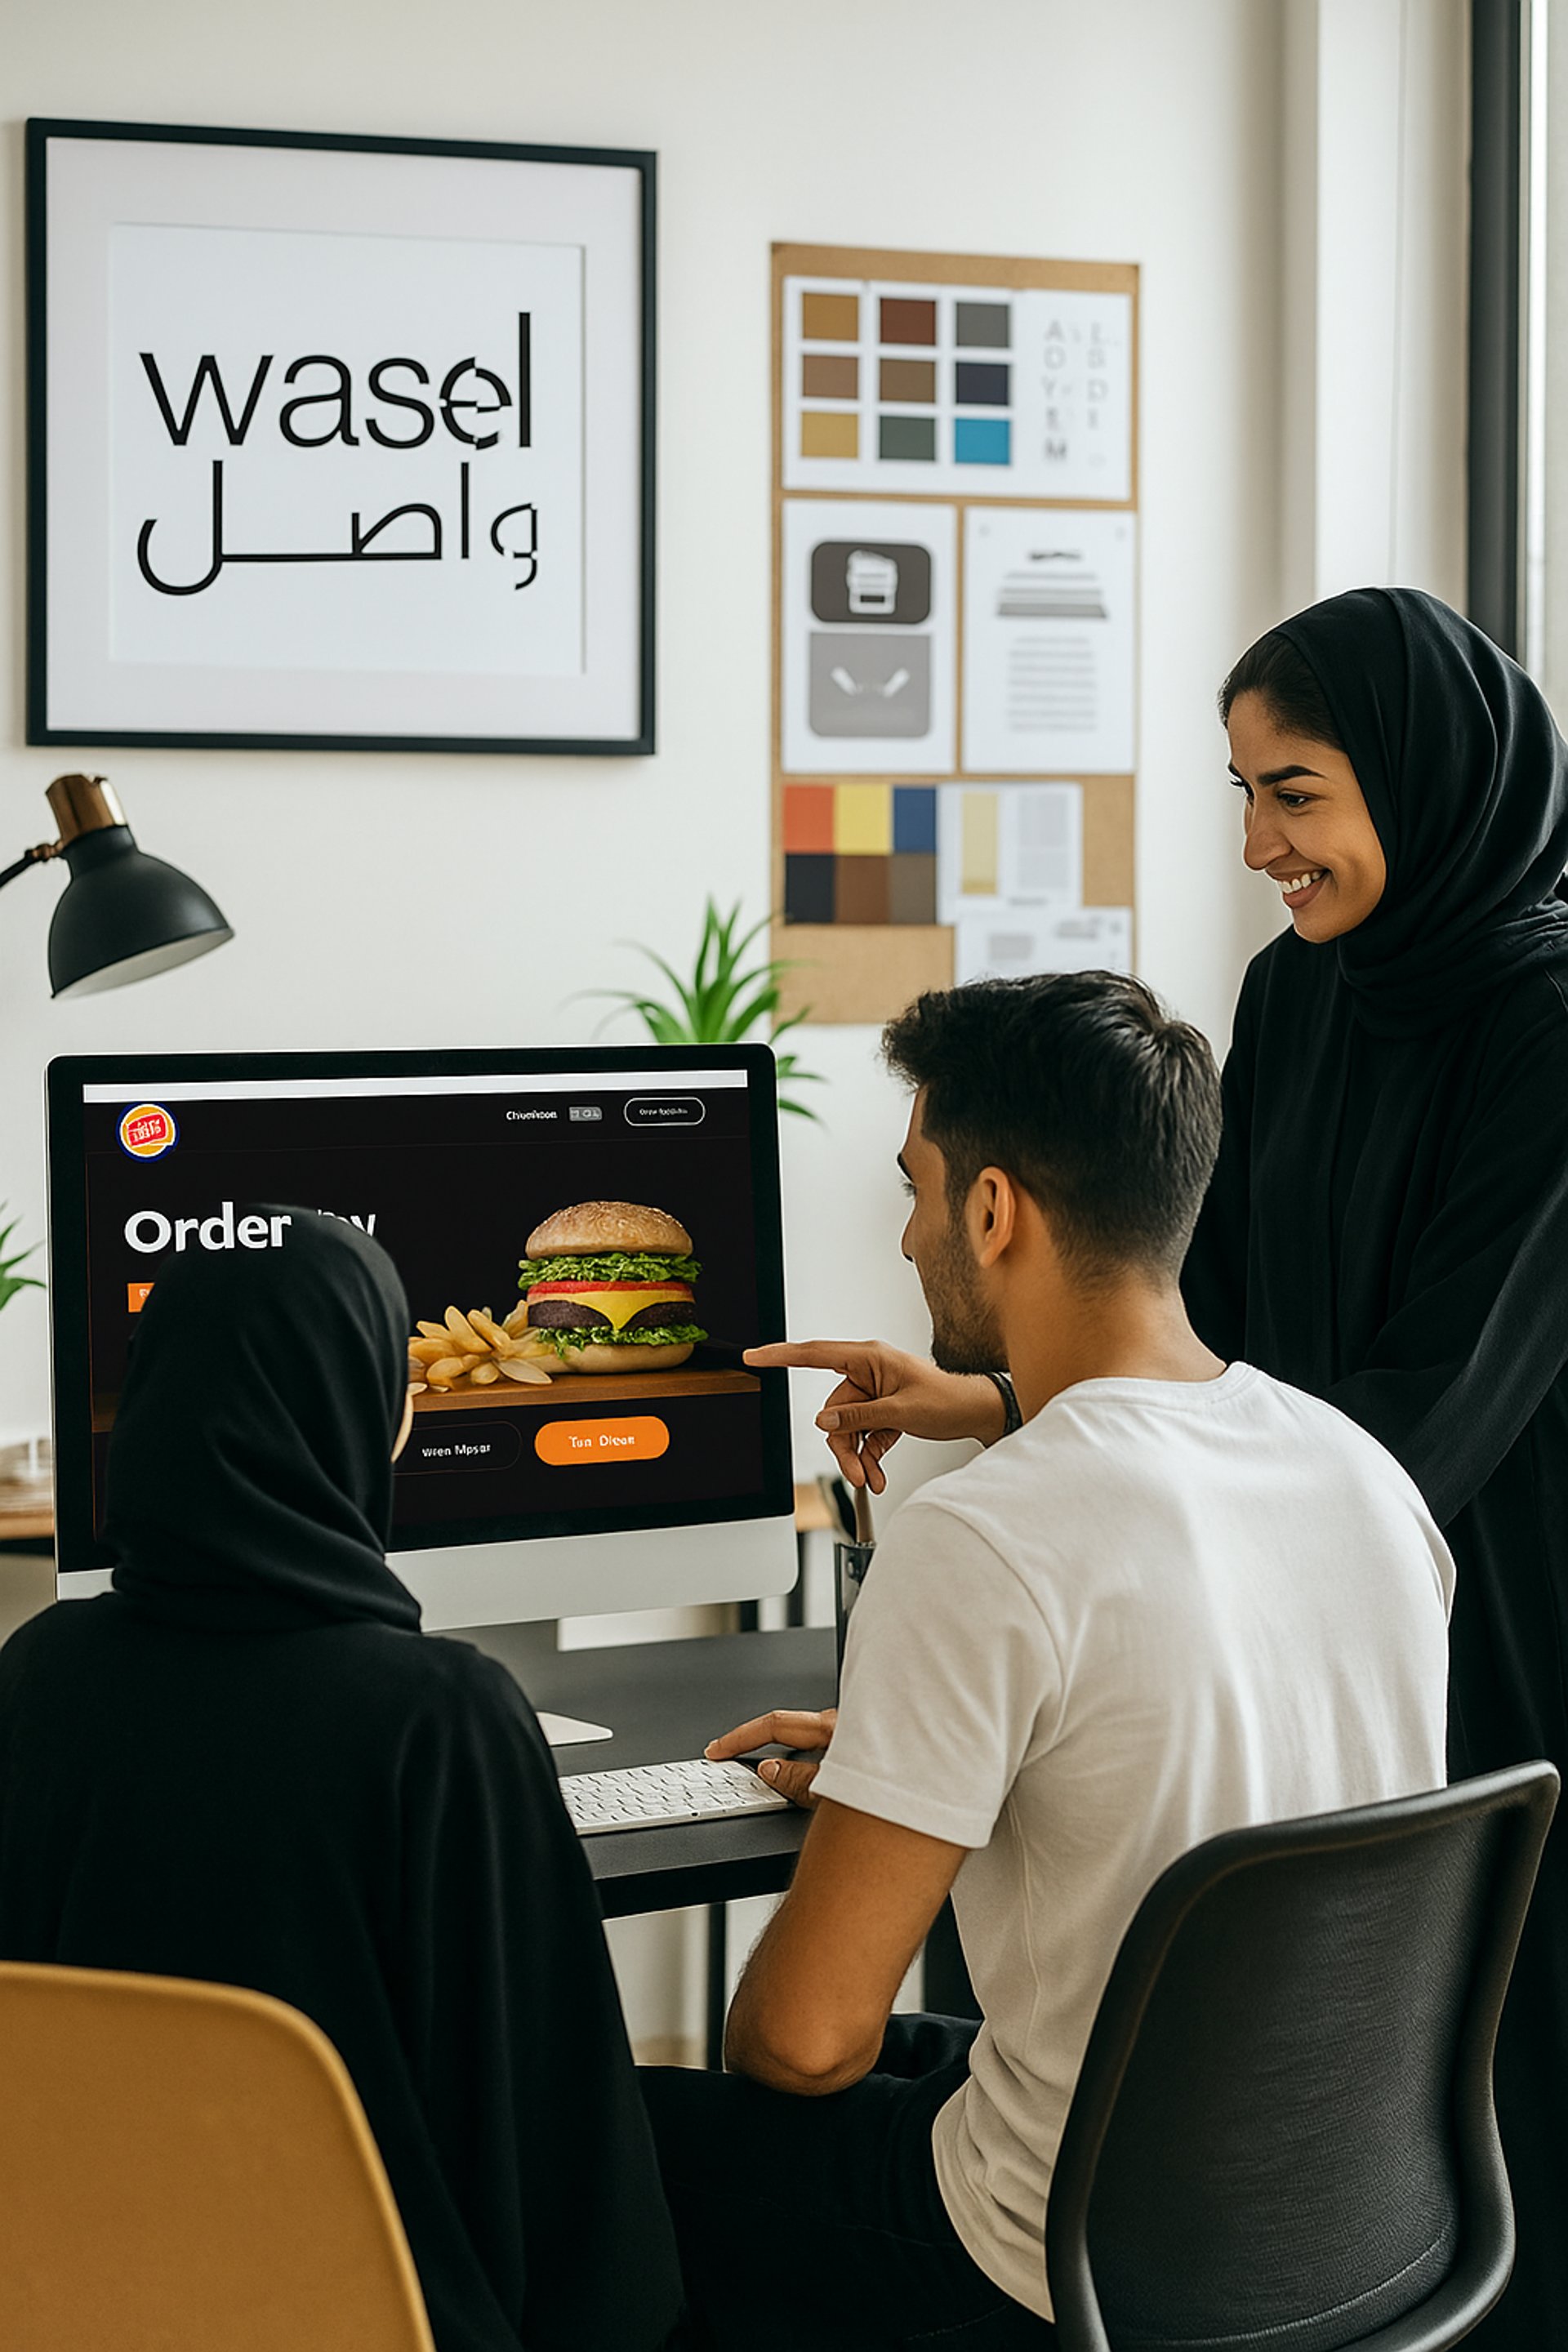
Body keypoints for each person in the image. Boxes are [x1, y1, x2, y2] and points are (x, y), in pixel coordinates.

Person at [757, 589, 1568, 2352]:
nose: (1260, 843)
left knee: (1471, 2072)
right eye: (1244, 794)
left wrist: (984, 1694)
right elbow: (1210, 1337)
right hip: (1309, 1558)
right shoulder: (1298, 990)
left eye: (1298, 793)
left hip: (1468, 1601)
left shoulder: (1552, 1022)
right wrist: (992, 1402)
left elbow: (1433, 1410)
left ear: (1422, 779)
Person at [641, 972, 1454, 2352]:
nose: (907, 1237)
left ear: (993, 1209)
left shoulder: (981, 1534)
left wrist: (867, 1816)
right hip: (1350, 2230)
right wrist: (919, 1766)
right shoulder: (1365, 1475)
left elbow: (800, 2045)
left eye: (916, 1189)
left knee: (608, 2135)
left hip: (1070, 2269)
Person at [0, 1212, 683, 2352]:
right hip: (382, 2317)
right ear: (371, 1414)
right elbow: (565, 2151)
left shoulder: (36, 1673)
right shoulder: (438, 1720)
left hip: (74, 2303)